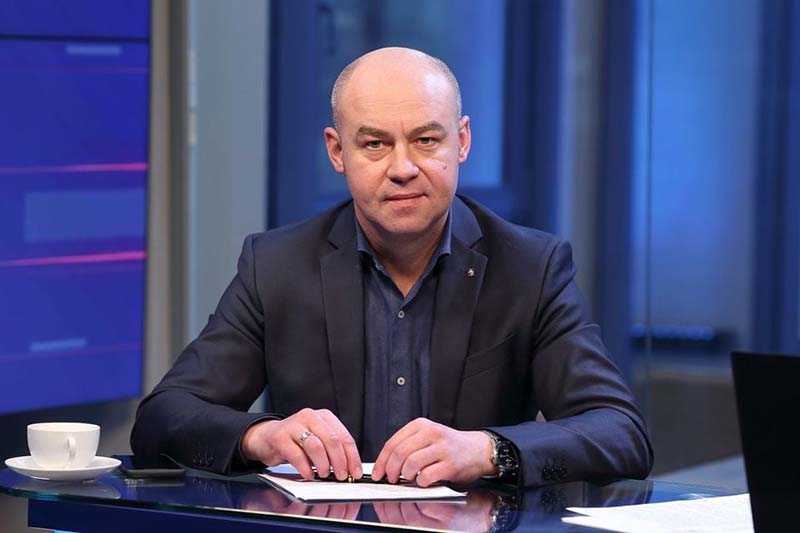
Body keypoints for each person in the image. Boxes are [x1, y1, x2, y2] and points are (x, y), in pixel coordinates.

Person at [131, 47, 653, 488]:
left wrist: (488, 449)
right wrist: (261, 436)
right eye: (375, 144)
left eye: (426, 140)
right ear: (337, 151)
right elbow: (163, 416)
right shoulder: (276, 266)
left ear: (462, 141)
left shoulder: (530, 268)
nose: (402, 168)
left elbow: (620, 431)